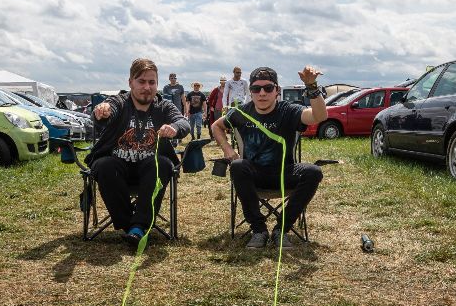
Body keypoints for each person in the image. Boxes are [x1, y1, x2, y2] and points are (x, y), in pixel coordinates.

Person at [212, 65, 328, 250]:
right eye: (256, 89)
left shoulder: (288, 110)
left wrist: (312, 87)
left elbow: (319, 116)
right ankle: (259, 230)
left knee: (314, 172)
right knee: (238, 166)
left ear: (277, 91)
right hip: (254, 174)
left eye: (268, 88)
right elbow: (216, 126)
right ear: (250, 92)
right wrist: (227, 148)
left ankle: (281, 229)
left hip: (284, 172)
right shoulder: (242, 112)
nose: (262, 93)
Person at [86, 58, 190, 244]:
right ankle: (132, 226)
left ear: (157, 84)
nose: (147, 87)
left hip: (149, 170)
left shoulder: (164, 106)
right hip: (118, 168)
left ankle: (137, 227)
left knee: (163, 164)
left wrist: (174, 127)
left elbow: (183, 122)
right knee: (104, 165)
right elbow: (107, 111)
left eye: (152, 82)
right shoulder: (119, 102)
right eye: (141, 81)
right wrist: (103, 111)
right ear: (130, 82)